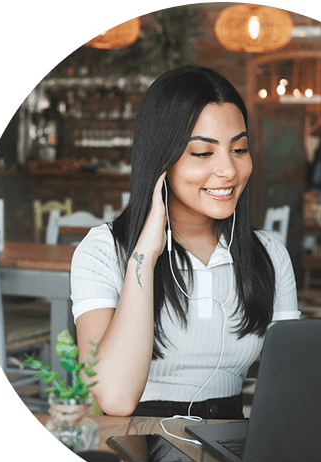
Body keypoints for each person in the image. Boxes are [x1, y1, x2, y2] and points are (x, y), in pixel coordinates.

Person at [70, 65, 300, 419]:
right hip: (138, 442)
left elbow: (290, 381)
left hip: (233, 444)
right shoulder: (103, 252)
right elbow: (113, 398)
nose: (228, 170)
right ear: (162, 158)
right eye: (203, 153)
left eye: (239, 149)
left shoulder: (268, 255)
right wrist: (144, 256)